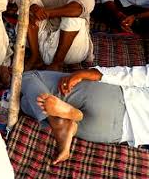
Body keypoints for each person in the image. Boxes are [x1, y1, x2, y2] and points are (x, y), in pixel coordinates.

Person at [20, 64, 149, 164]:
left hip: (115, 101)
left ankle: (57, 121)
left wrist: (84, 74)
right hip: (112, 133)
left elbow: (136, 76)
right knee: (24, 103)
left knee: (29, 77)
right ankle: (62, 122)